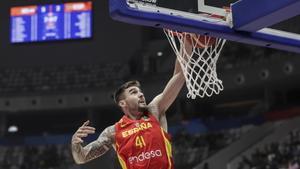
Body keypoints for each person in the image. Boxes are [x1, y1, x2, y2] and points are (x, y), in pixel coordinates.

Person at [71, 36, 191, 169]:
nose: (140, 94)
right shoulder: (113, 132)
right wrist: (75, 143)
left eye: (140, 91)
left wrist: (187, 40)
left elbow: (179, 75)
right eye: (133, 92)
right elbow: (81, 158)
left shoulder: (155, 110)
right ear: (122, 103)